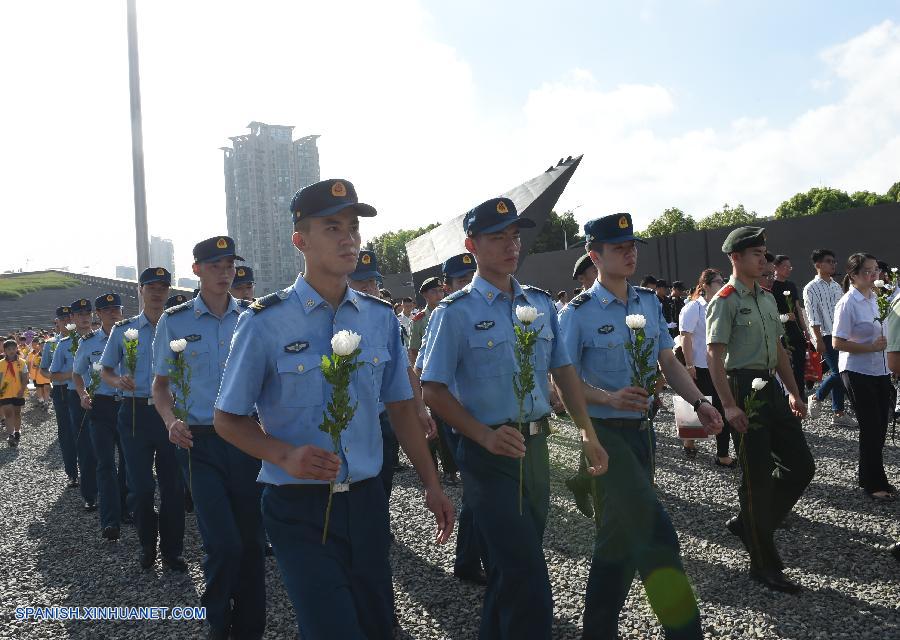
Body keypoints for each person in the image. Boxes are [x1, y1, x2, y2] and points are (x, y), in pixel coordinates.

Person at [213, 178, 454, 640]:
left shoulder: (379, 318)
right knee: (332, 628)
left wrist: (431, 483)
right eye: (332, 228)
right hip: (297, 506)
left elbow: (402, 406)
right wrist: (284, 455)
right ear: (300, 240)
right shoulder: (265, 322)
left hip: (366, 501)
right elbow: (228, 418)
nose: (348, 238)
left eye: (352, 228)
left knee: (378, 624)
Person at [421, 196, 608, 640]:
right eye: (496, 237)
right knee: (527, 573)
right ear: (472, 245)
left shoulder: (541, 304)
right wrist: (483, 437)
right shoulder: (455, 313)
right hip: (489, 457)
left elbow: (562, 370)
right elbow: (433, 390)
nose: (510, 245)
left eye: (514, 236)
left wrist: (587, 433)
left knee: (510, 570)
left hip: (537, 447)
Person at [558, 213, 722, 640]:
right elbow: (562, 380)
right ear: (594, 255)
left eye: (633, 246)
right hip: (603, 435)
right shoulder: (577, 312)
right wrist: (607, 397)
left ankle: (597, 630)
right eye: (619, 248)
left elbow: (667, 359)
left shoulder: (648, 301)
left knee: (616, 541)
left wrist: (699, 400)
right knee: (657, 536)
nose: (630, 253)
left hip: (642, 435)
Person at [153, 236, 265, 639]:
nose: (225, 271)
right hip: (198, 442)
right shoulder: (176, 320)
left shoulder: (252, 317)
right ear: (197, 269)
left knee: (252, 542)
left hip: (248, 437)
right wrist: (169, 420)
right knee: (223, 543)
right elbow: (160, 386)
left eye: (229, 264)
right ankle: (218, 620)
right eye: (215, 264)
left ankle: (251, 627)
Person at [706, 226, 814, 594]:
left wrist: (795, 393)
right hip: (741, 386)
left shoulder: (767, 298)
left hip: (769, 385)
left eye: (765, 254)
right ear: (735, 257)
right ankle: (764, 564)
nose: (764, 260)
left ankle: (750, 523)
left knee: (802, 466)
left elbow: (781, 352)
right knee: (756, 481)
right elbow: (714, 357)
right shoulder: (724, 300)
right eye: (756, 254)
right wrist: (729, 405)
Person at [101, 267, 186, 572]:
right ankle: (147, 544)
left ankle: (173, 550)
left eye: (163, 286)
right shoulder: (124, 330)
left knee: (173, 486)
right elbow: (105, 369)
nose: (158, 291)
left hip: (170, 413)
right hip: (135, 412)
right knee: (140, 486)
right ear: (140, 290)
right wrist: (116, 381)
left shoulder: (178, 324)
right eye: (151, 286)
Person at [417, 251, 486, 585]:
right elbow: (423, 371)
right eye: (460, 281)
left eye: (470, 277)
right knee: (477, 489)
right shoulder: (442, 318)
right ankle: (469, 560)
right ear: (446, 286)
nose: (467, 285)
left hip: (485, 417)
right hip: (459, 416)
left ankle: (470, 558)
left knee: (478, 491)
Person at [832, 253, 894, 502]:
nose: (874, 274)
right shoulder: (848, 302)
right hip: (857, 370)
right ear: (854, 275)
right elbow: (837, 342)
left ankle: (870, 475)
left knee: (880, 425)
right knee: (871, 426)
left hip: (880, 369)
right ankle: (873, 482)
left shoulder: (877, 298)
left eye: (875, 270)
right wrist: (870, 347)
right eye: (867, 271)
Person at [73, 293, 129, 540]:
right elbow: (77, 373)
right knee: (105, 463)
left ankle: (127, 508)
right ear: (98, 314)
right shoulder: (89, 342)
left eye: (116, 308)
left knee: (129, 461)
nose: (113, 313)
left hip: (129, 405)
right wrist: (83, 393)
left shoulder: (133, 336)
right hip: (101, 406)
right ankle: (110, 520)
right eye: (107, 310)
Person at [679, 269, 733, 466]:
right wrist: (689, 364)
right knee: (696, 403)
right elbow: (686, 336)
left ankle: (722, 454)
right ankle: (689, 439)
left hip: (720, 365)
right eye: (718, 281)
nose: (722, 284)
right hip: (700, 365)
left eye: (723, 280)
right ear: (705, 286)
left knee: (722, 406)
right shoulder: (695, 307)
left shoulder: (723, 305)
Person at [49, 298, 98, 511]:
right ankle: (90, 494)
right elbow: (53, 374)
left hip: (104, 396)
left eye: (88, 313)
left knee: (113, 447)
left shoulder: (104, 339)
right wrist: (74, 373)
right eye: (80, 314)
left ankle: (118, 494)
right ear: (73, 318)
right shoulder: (65, 344)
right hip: (76, 397)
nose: (85, 317)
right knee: (85, 446)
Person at [803, 249, 855, 426]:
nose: (833, 264)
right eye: (829, 261)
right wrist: (817, 339)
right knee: (839, 372)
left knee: (841, 372)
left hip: (842, 334)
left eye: (834, 261)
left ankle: (838, 413)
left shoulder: (835, 285)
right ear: (818, 265)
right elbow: (812, 316)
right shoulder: (810, 288)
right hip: (826, 335)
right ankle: (817, 397)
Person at [41, 306, 79, 487]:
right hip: (62, 390)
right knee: (66, 432)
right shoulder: (51, 344)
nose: (66, 322)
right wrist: (65, 376)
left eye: (68, 318)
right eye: (62, 319)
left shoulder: (81, 339)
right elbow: (44, 369)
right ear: (57, 322)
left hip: (80, 390)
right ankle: (72, 472)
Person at [772, 255, 810, 395]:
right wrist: (785, 317)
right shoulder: (772, 287)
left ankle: (800, 393)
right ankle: (788, 394)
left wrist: (804, 328)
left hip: (795, 330)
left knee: (799, 364)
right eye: (785, 267)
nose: (788, 270)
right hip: (781, 331)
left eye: (790, 267)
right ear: (775, 267)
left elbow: (797, 308)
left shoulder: (791, 285)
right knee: (787, 365)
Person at [1, 338, 29, 446]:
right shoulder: (1, 363)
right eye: (9, 349)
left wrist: (22, 389)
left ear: (16, 348)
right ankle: (10, 434)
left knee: (17, 413)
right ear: (5, 351)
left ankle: (17, 431)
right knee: (8, 414)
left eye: (13, 348)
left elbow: (25, 377)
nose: (11, 351)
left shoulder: (22, 363)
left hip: (18, 391)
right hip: (4, 393)